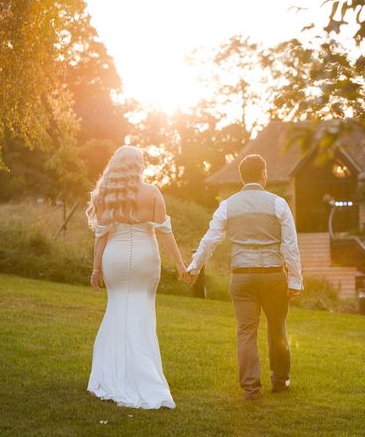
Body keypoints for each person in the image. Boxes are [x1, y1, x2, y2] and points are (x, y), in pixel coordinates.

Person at [185, 154, 303, 400]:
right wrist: (295, 280)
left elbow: (211, 239)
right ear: (263, 174)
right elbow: (290, 245)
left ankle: (251, 388)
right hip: (272, 275)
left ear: (241, 177)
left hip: (242, 277)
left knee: (246, 330)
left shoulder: (227, 205)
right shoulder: (278, 204)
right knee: (277, 327)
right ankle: (280, 380)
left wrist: (195, 266)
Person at [85, 145, 186, 409]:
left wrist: (96, 269)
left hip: (114, 257)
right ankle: (143, 373)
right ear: (138, 165)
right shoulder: (152, 193)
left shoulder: (107, 194)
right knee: (141, 310)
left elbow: (101, 237)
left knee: (117, 307)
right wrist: (180, 264)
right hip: (145, 257)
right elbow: (165, 232)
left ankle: (113, 373)